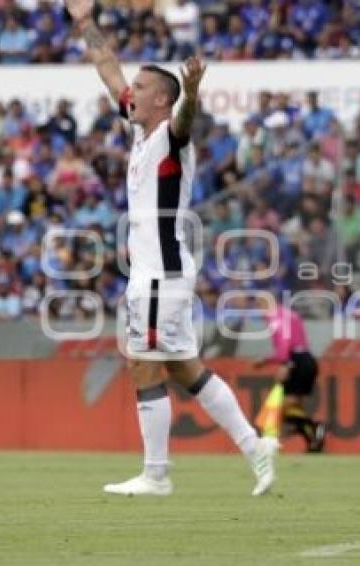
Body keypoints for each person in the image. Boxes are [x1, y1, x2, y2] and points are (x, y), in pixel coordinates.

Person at [66, 0, 277, 497]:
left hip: (160, 274)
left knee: (142, 362)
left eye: (140, 89)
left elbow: (185, 120)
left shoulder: (170, 138)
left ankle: (157, 474)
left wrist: (195, 90)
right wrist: (84, 23)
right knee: (185, 367)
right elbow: (106, 67)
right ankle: (254, 447)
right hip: (158, 273)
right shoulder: (140, 134)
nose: (129, 94)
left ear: (161, 100)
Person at [253, 294, 326, 452]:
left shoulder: (275, 317)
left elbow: (284, 346)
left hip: (296, 361)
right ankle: (313, 441)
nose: (259, 311)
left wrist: (280, 363)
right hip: (307, 359)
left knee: (283, 407)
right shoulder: (288, 314)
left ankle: (315, 428)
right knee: (293, 406)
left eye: (259, 305)